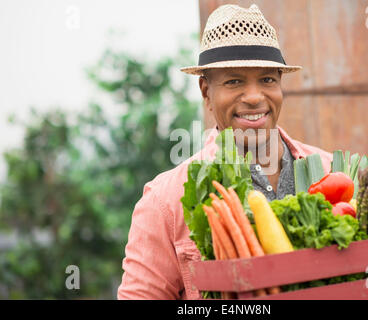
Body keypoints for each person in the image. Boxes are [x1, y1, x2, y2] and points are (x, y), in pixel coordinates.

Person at [117, 3, 332, 300]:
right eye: (234, 81)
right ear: (206, 92)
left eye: (267, 79)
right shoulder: (164, 201)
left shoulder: (330, 170)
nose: (255, 97)